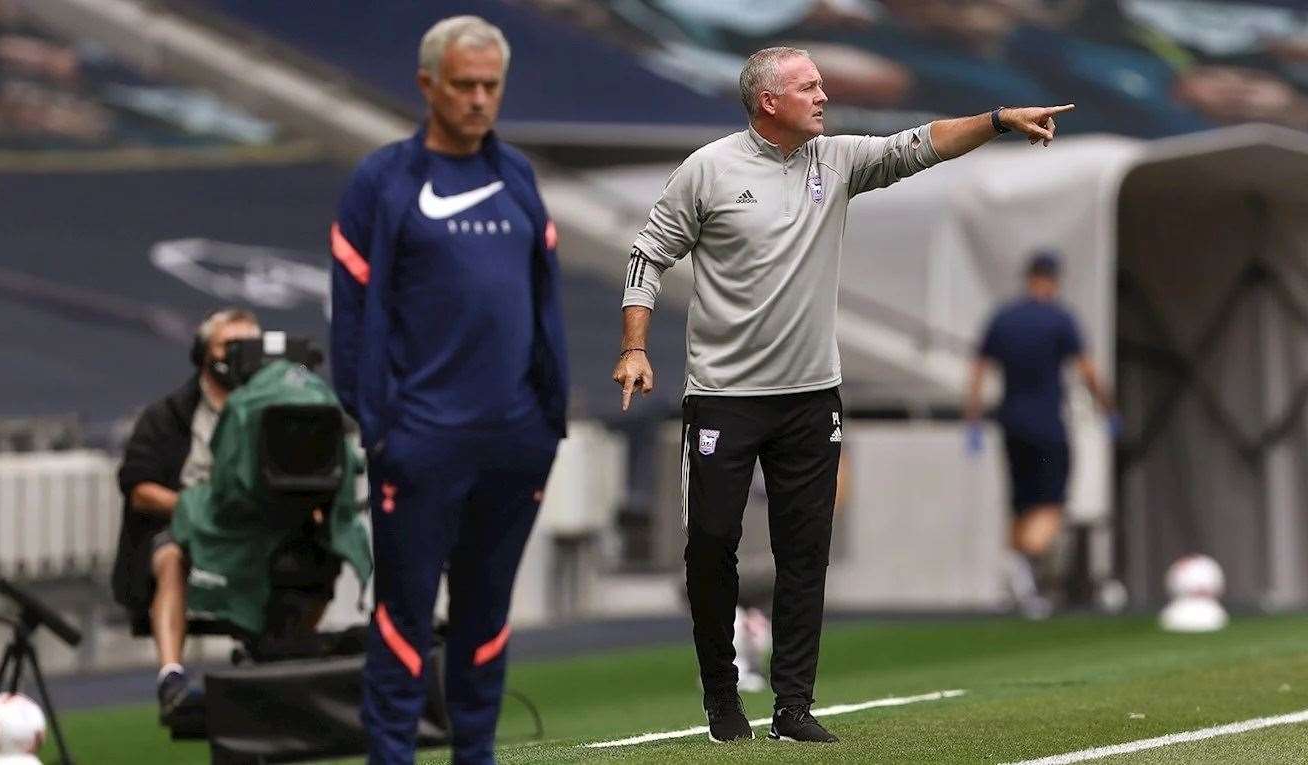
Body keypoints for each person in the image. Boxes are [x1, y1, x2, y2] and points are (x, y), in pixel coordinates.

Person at [611, 45, 1073, 744]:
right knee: (710, 545)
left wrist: (1000, 119)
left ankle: (793, 706)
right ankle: (721, 699)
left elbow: (923, 145)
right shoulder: (707, 170)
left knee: (806, 552)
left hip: (810, 398)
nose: (824, 96)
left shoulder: (839, 159)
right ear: (769, 101)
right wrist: (635, 347)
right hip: (724, 397)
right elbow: (648, 252)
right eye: (810, 86)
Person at [329, 15, 568, 765]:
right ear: (427, 84)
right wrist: (380, 426)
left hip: (516, 442)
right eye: (462, 84)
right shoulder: (382, 182)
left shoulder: (518, 176)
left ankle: (476, 753)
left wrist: (547, 415)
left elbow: (544, 300)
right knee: (402, 617)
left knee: (487, 616)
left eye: (489, 85)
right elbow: (350, 316)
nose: (477, 99)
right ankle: (392, 756)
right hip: (421, 442)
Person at [112, 307, 260, 723]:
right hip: (183, 526)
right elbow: (138, 487)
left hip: (253, 529)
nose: (238, 358)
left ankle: (281, 663)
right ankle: (171, 677)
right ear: (203, 352)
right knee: (171, 557)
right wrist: (198, 509)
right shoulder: (167, 415)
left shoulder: (272, 411)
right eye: (229, 347)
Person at [965, 252, 1117, 618]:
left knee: (1020, 504)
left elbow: (979, 372)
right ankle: (1022, 564)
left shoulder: (1003, 318)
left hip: (1011, 424)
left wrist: (972, 420)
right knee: (1052, 503)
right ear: (1053, 279)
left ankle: (1021, 584)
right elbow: (1087, 371)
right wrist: (1108, 409)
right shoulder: (1060, 319)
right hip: (1048, 425)